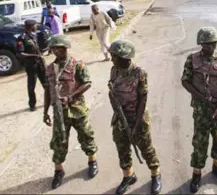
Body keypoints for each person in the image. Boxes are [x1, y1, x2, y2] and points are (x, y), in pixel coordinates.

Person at [43, 35, 99, 189]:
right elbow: (48, 91)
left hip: (77, 110)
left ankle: (92, 161)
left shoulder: (77, 64)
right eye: (53, 48)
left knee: (86, 136)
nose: (56, 51)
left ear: (65, 47)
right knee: (58, 142)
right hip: (59, 113)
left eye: (59, 47)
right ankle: (59, 171)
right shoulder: (49, 69)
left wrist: (71, 96)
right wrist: (45, 112)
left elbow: (87, 83)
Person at [181, 27, 217, 193]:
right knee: (200, 142)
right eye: (206, 43)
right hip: (202, 110)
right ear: (200, 43)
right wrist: (202, 98)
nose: (209, 46)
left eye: (212, 43)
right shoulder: (192, 59)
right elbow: (185, 81)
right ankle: (197, 173)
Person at [107, 40, 162, 195]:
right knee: (122, 148)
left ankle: (156, 174)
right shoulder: (114, 70)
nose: (111, 59)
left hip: (137, 117)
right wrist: (117, 113)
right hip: (120, 117)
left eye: (114, 56)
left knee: (146, 148)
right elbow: (111, 92)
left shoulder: (139, 73)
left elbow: (143, 100)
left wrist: (136, 124)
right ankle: (129, 176)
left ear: (124, 57)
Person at [17, 19, 48, 111]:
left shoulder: (34, 35)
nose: (36, 27)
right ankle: (32, 104)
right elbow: (20, 53)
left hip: (40, 63)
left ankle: (50, 100)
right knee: (31, 86)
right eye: (35, 25)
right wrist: (34, 55)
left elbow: (38, 48)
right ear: (30, 26)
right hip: (31, 65)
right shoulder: (22, 38)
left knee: (46, 83)